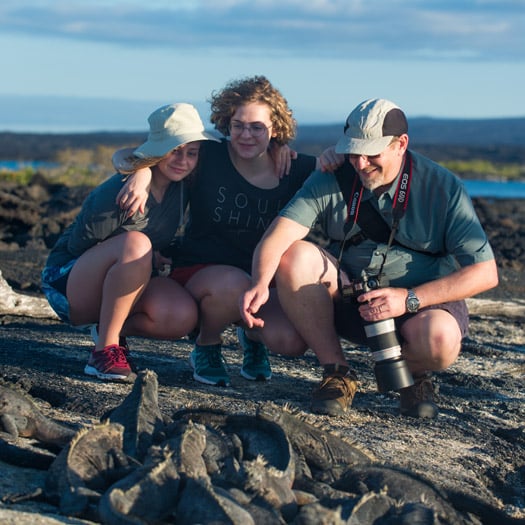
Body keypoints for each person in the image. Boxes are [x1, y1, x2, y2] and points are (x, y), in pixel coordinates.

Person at [240, 98, 499, 418]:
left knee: (440, 340)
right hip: (349, 297)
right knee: (292, 277)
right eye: (353, 151)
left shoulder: (444, 188)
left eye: (371, 153)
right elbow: (278, 235)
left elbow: (486, 273)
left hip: (419, 306)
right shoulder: (333, 174)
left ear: (401, 144)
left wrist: (409, 298)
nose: (360, 164)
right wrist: (260, 283)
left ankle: (413, 375)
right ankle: (337, 372)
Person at [114, 75, 331, 387]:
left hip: (261, 283)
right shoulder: (208, 156)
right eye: (238, 125)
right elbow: (133, 154)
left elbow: (342, 176)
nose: (246, 134)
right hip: (201, 273)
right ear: (226, 123)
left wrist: (335, 154)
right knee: (234, 285)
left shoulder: (294, 168)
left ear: (275, 128)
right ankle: (207, 344)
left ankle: (251, 337)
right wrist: (141, 172)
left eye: (257, 127)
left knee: (291, 340)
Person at [41, 103, 220, 382]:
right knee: (136, 244)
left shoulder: (182, 186)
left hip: (122, 280)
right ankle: (105, 351)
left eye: (191, 153)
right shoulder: (121, 192)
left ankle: (107, 327)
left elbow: (241, 155)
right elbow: (78, 247)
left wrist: (282, 149)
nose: (183, 160)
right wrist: (140, 172)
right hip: (66, 282)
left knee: (180, 316)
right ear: (157, 149)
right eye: (174, 150)